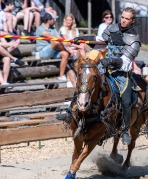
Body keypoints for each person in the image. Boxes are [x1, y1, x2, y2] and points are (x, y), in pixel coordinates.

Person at [59, 7, 141, 145]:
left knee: (126, 100)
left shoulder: (135, 39)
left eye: (127, 19)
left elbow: (126, 62)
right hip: (104, 67)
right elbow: (100, 40)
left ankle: (125, 129)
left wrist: (111, 61)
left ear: (132, 20)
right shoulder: (113, 28)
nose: (123, 20)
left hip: (120, 72)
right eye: (122, 17)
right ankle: (71, 112)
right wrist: (83, 39)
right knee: (86, 82)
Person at [36, 12, 73, 84]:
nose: (54, 21)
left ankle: (61, 76)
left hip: (52, 51)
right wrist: (66, 45)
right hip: (43, 52)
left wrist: (65, 42)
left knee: (65, 54)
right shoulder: (40, 28)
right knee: (56, 42)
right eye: (53, 19)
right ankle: (68, 51)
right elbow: (50, 36)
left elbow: (59, 37)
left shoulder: (53, 28)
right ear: (49, 20)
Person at [0, 17, 24, 82]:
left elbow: (5, 44)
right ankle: (14, 59)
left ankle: (5, 81)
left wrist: (12, 44)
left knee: (7, 59)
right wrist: (9, 44)